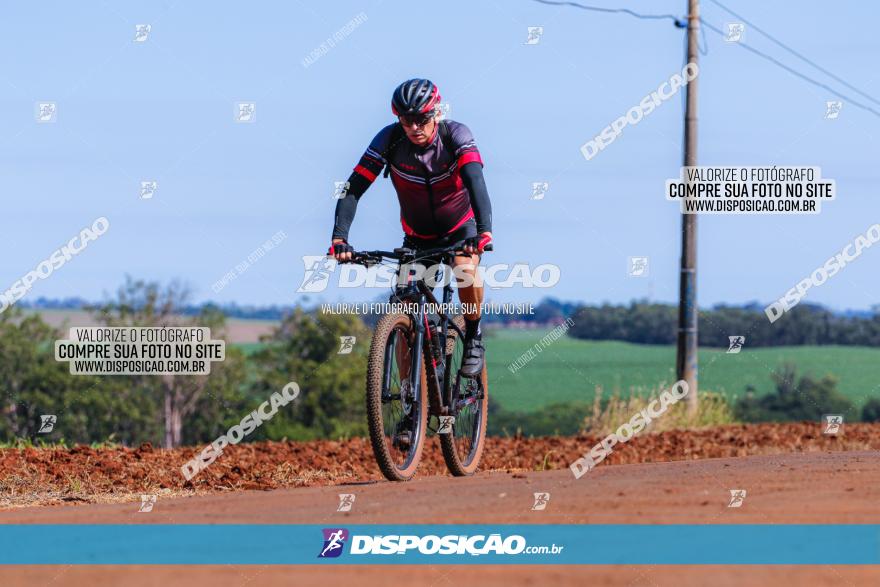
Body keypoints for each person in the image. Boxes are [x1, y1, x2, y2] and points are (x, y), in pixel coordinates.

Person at [329, 78, 493, 376]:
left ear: (436, 114)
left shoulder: (455, 134)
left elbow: (475, 180)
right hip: (418, 237)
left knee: (464, 270)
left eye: (422, 119)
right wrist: (340, 238)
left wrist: (484, 231)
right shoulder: (389, 140)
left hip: (460, 229)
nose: (415, 127)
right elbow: (352, 189)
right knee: (406, 312)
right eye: (407, 120)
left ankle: (473, 335)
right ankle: (409, 405)